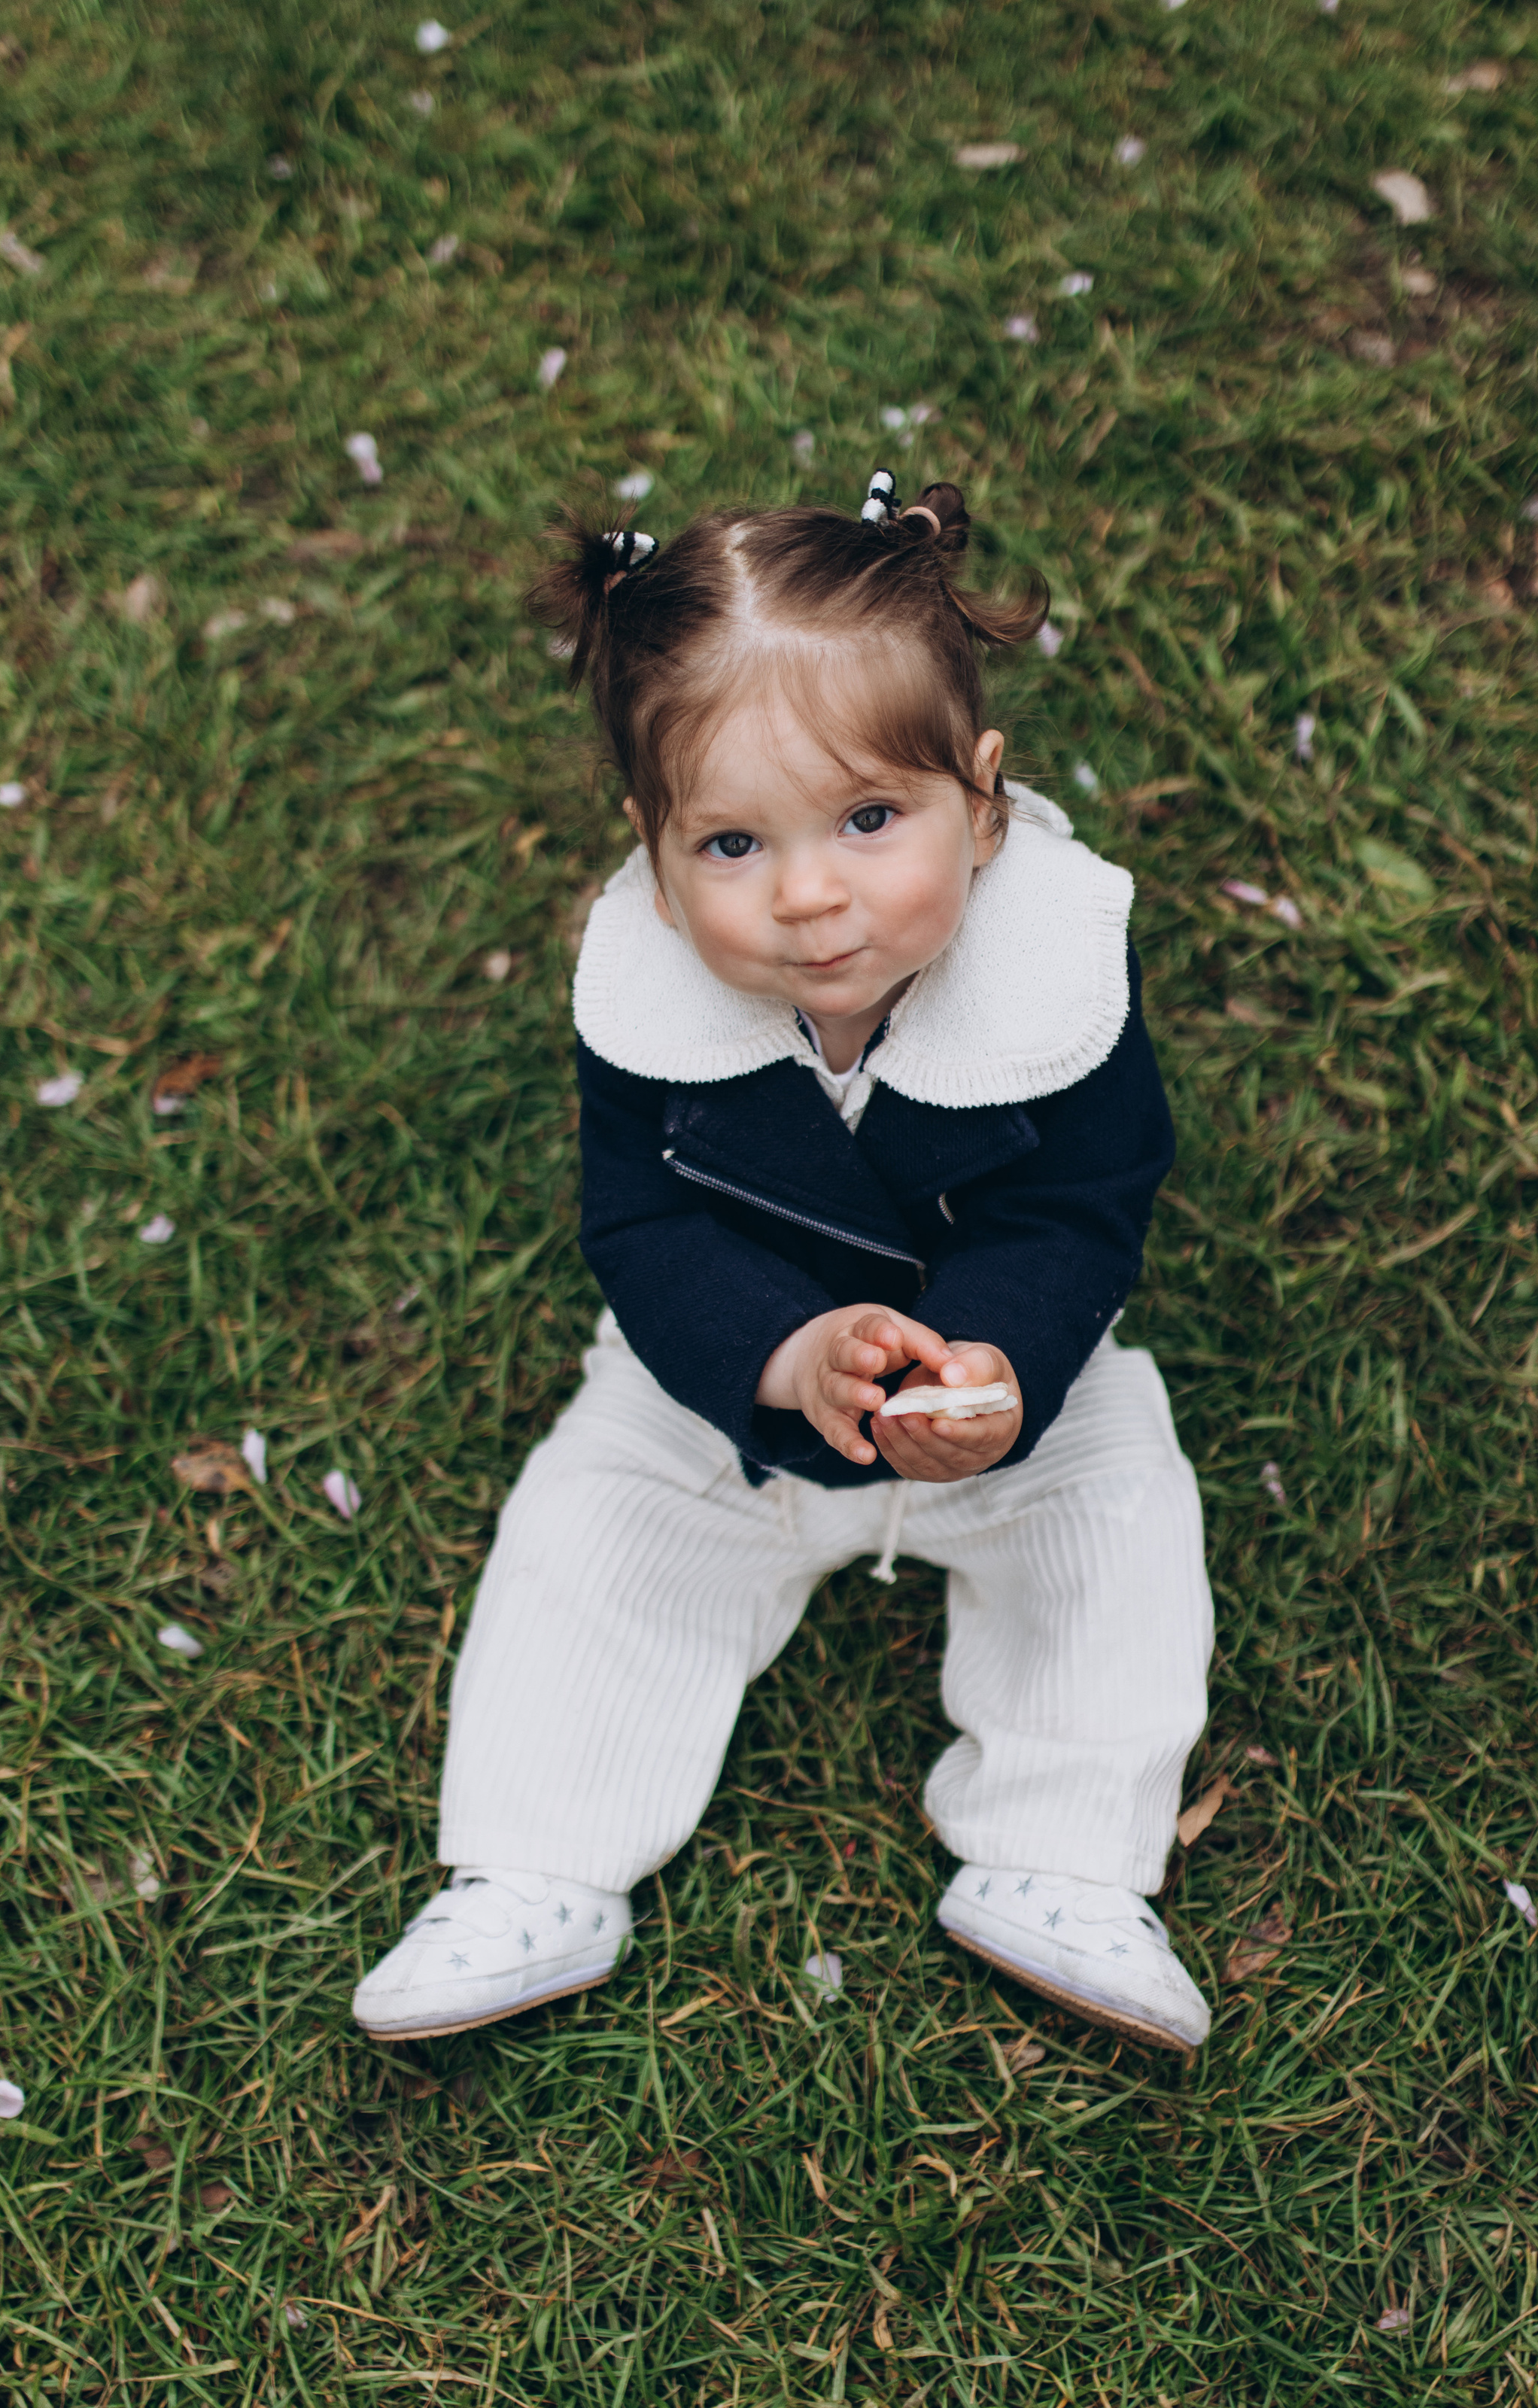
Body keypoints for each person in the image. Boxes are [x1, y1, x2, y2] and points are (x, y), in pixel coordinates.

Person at [351, 471, 1215, 2053]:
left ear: (984, 802)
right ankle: (534, 1864)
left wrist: (998, 1361)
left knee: (1123, 1511)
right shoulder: (649, 998)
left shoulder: (1055, 978)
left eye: (871, 820)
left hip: (992, 1383)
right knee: (590, 1524)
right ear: (654, 851)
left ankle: (1066, 1855)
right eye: (734, 842)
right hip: (731, 1393)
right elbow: (646, 1225)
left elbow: (1081, 1207)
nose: (810, 895)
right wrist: (780, 1354)